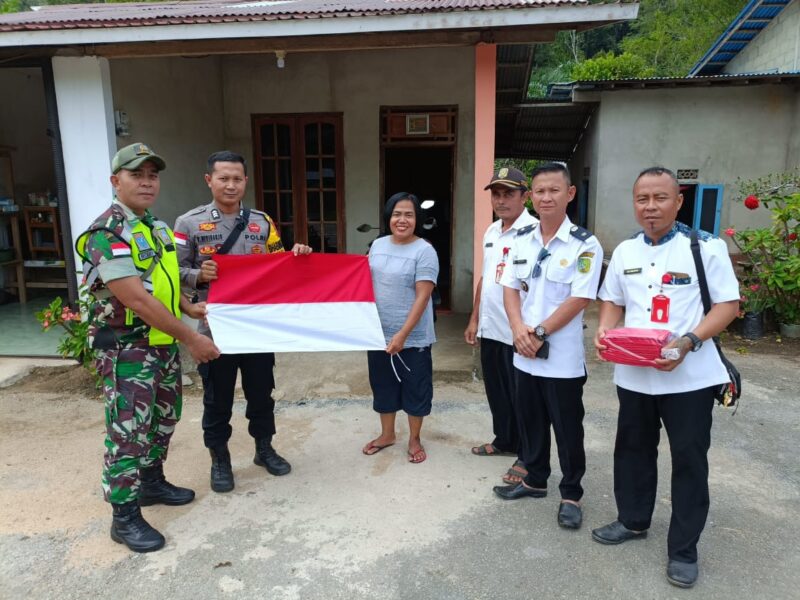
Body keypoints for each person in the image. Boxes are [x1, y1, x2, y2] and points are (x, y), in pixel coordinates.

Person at [591, 167, 739, 588]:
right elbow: (612, 301)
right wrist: (605, 329)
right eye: (642, 199)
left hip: (689, 378)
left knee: (689, 460)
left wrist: (690, 341)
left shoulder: (705, 248)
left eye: (660, 198)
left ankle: (684, 550)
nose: (650, 207)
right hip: (635, 375)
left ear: (678, 201)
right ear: (634, 203)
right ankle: (633, 520)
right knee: (632, 451)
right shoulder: (624, 252)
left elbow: (727, 306)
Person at [76, 143, 220, 553]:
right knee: (127, 432)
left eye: (153, 175)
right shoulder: (106, 235)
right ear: (115, 181)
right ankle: (123, 517)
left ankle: (151, 483)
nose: (146, 182)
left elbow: (162, 286)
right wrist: (192, 336)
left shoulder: (154, 228)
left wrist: (188, 306)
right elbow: (136, 299)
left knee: (163, 418)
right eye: (137, 174)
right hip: (126, 350)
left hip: (158, 345)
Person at [174, 150, 312, 494]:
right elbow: (170, 272)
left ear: (245, 181)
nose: (231, 185)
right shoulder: (188, 223)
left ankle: (264, 450)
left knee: (261, 395)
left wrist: (298, 257)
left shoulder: (262, 222)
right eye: (223, 178)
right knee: (217, 399)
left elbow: (280, 267)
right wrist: (197, 275)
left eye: (237, 178)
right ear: (209, 180)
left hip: (256, 329)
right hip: (215, 329)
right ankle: (219, 460)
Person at [494, 162, 603, 532]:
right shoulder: (519, 241)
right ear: (532, 196)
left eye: (554, 190)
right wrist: (517, 329)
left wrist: (538, 331)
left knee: (569, 429)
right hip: (524, 352)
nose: (545, 197)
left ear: (569, 194)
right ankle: (534, 479)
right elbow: (510, 288)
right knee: (531, 421)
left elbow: (581, 297)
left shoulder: (585, 244)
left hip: (562, 359)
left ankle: (571, 493)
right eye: (539, 190)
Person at [465, 167, 537, 485]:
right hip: (491, 326)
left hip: (520, 330)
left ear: (525, 196)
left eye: (509, 193)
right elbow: (486, 277)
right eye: (496, 193)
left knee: (524, 395)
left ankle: (528, 454)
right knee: (497, 389)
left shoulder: (536, 231)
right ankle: (505, 440)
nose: (501, 199)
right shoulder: (492, 231)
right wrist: (474, 317)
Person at [362, 192, 439, 464]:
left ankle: (414, 438)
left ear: (417, 219)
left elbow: (423, 296)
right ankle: (387, 434)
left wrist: (402, 335)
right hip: (378, 333)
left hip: (413, 337)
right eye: (397, 214)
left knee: (415, 387)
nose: (402, 219)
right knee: (383, 386)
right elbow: (361, 283)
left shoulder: (425, 251)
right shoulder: (378, 245)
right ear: (388, 217)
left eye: (409, 214)